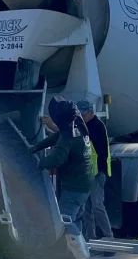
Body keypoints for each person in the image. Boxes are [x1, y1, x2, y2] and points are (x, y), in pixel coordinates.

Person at [31, 98, 95, 226]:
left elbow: (57, 158)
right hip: (86, 183)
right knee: (76, 219)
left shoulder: (68, 137)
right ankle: (82, 243)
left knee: (65, 222)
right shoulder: (78, 127)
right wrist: (37, 147)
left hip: (74, 188)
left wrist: (41, 163)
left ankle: (71, 245)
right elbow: (57, 136)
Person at [76, 100, 113, 241]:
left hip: (97, 173)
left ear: (91, 113)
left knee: (97, 206)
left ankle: (109, 239)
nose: (81, 117)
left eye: (83, 114)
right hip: (89, 173)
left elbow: (98, 151)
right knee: (87, 209)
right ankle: (90, 239)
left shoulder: (97, 126)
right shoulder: (84, 125)